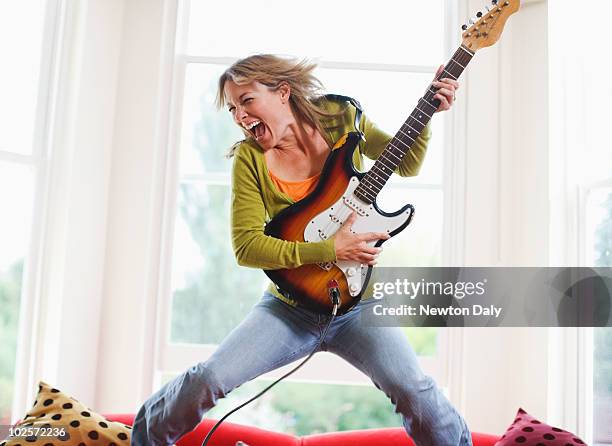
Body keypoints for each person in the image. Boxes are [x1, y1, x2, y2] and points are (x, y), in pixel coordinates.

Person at [131, 54, 469, 446]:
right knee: (208, 378)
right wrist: (330, 247)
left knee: (417, 393)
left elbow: (405, 162)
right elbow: (247, 247)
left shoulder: (341, 118)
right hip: (288, 308)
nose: (240, 115)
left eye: (247, 100)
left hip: (359, 306)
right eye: (233, 108)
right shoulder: (249, 159)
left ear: (282, 92)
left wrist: (427, 113)